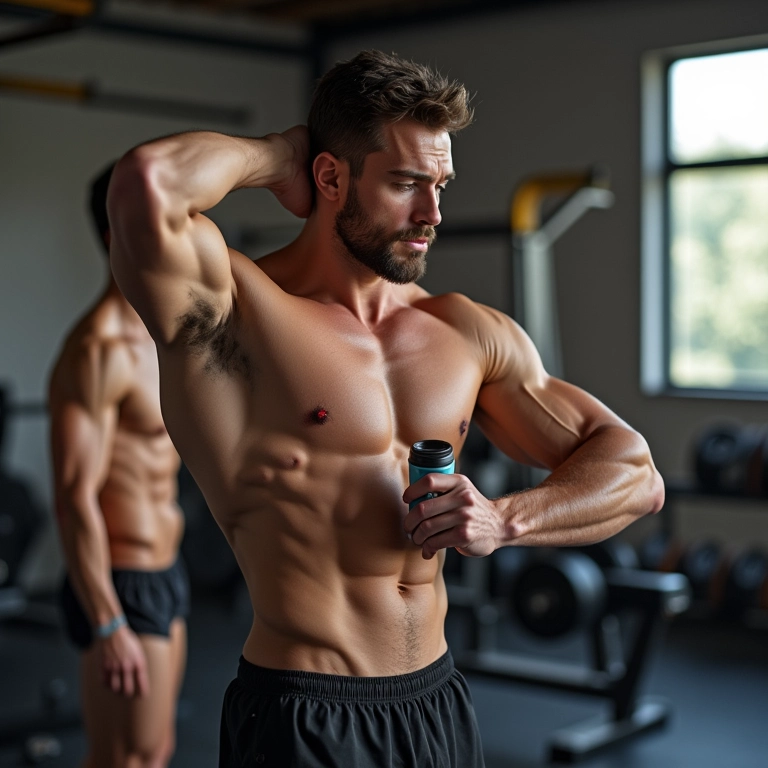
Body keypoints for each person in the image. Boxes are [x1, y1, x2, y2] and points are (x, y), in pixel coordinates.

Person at [107, 50, 665, 767]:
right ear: (331, 177)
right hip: (305, 712)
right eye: (406, 184)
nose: (432, 214)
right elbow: (149, 182)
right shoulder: (237, 310)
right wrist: (283, 155)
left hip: (436, 702)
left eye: (440, 185)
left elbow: (636, 473)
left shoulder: (463, 331)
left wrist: (505, 520)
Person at [49, 163, 188, 768]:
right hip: (120, 582)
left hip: (166, 572)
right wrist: (108, 623)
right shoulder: (98, 350)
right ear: (116, 235)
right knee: (124, 759)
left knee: (155, 750)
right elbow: (73, 496)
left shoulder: (161, 337)